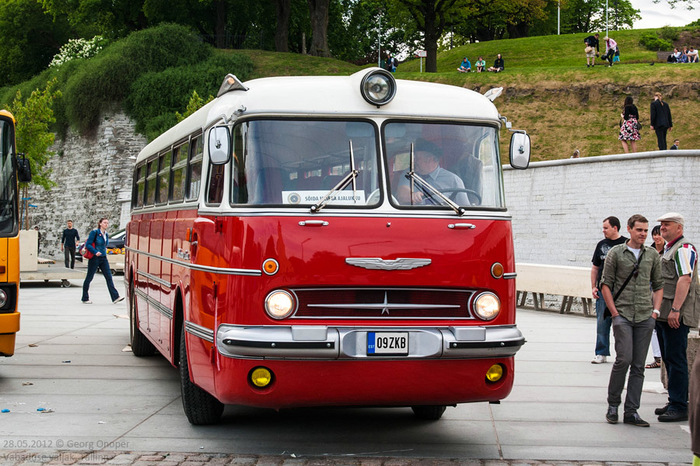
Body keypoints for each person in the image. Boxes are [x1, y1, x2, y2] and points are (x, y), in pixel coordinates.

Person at [601, 214, 663, 427]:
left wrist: (655, 312)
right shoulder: (616, 253)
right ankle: (613, 405)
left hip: (646, 316)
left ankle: (632, 411)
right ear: (629, 229)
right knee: (623, 359)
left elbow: (658, 284)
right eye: (639, 230)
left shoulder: (652, 255)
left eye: (646, 230)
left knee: (638, 366)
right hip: (623, 315)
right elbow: (606, 284)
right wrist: (614, 313)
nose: (644, 234)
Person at [654, 212, 700, 422]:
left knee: (676, 358)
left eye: (667, 224)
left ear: (679, 227)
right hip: (665, 313)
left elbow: (685, 279)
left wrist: (675, 310)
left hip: (674, 314)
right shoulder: (669, 247)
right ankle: (674, 400)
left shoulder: (683, 248)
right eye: (661, 224)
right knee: (669, 358)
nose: (662, 227)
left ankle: (680, 405)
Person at [591, 216, 627, 364]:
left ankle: (624, 352)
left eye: (606, 228)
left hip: (622, 291)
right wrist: (593, 286)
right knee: (602, 322)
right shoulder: (601, 245)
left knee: (623, 323)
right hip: (603, 290)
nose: (603, 230)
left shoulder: (626, 244)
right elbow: (595, 267)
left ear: (615, 228)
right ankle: (601, 352)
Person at [395, 139, 469, 206]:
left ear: (431, 160)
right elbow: (402, 193)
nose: (414, 162)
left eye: (417, 158)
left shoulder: (453, 180)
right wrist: (412, 195)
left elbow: (464, 208)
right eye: (414, 158)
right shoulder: (410, 173)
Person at [81, 217, 124, 305]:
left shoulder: (106, 234)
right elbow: (88, 244)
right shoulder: (95, 233)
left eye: (107, 223)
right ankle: (85, 297)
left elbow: (105, 245)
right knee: (89, 277)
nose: (106, 224)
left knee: (109, 277)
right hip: (95, 258)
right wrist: (95, 252)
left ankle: (115, 297)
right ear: (100, 223)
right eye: (104, 223)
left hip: (103, 258)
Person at [646, 224, 665, 369]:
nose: (656, 237)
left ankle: (663, 357)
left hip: (664, 291)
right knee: (652, 324)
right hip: (650, 290)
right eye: (654, 234)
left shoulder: (669, 252)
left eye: (659, 234)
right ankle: (658, 358)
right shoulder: (649, 252)